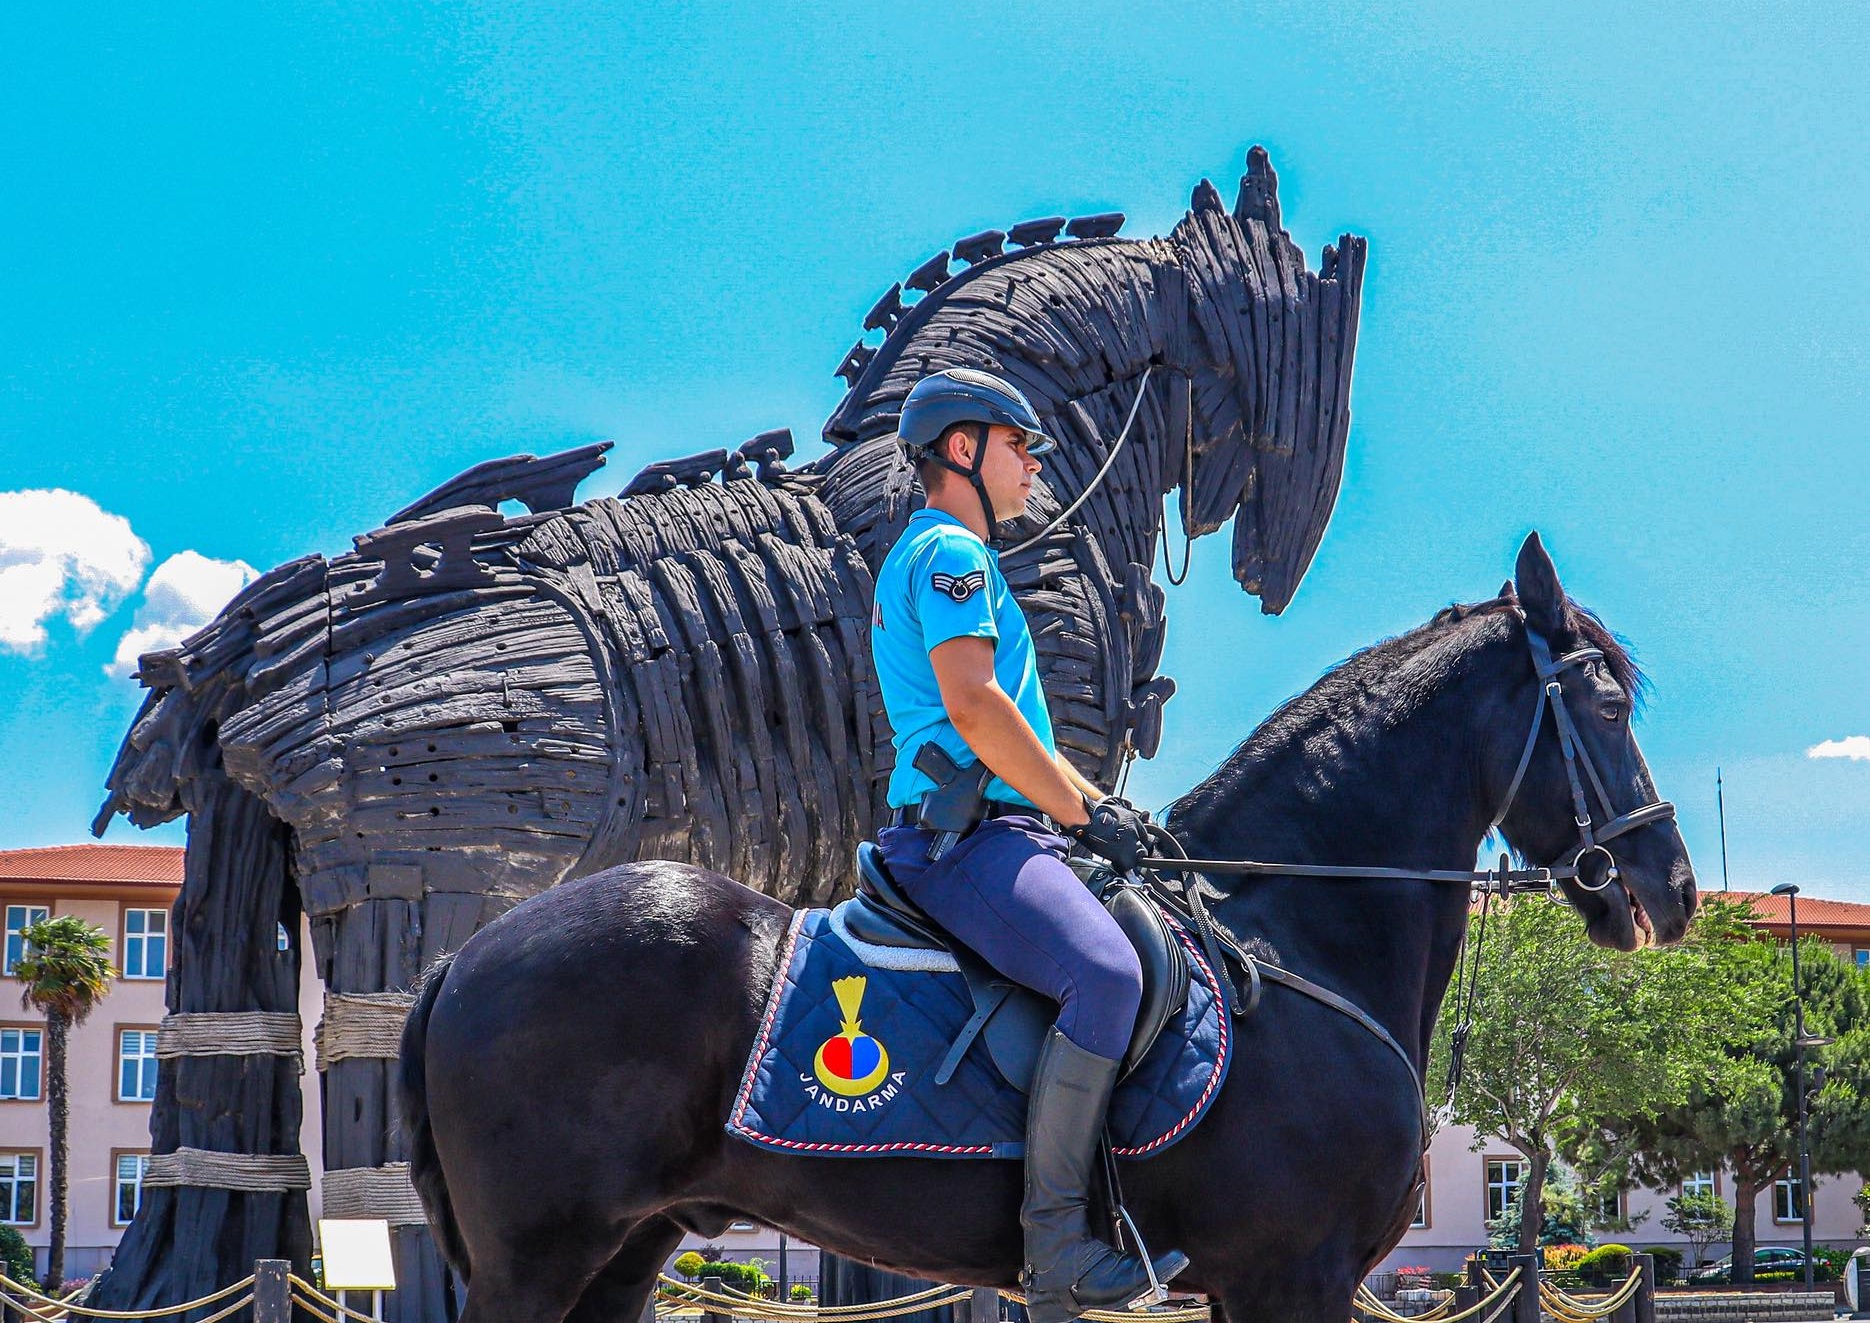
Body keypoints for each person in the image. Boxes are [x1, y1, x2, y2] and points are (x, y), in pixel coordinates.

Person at [870, 368, 1189, 1323]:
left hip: (999, 825)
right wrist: (1083, 814)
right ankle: (1055, 1245)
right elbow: (976, 707)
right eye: (1020, 444)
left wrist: (1102, 808)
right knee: (1107, 974)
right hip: (966, 842)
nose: (1034, 465)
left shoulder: (951, 555)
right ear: (961, 449)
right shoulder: (952, 554)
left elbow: (1026, 746)